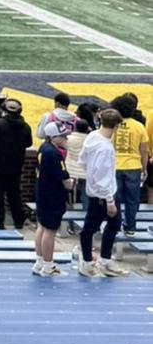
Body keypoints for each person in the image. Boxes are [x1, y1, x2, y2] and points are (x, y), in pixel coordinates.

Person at [76, 108, 128, 278]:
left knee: (94, 227)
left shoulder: (92, 137)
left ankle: (95, 261)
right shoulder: (106, 148)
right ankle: (92, 262)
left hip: (94, 191)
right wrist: (109, 200)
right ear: (116, 126)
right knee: (102, 227)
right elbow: (103, 176)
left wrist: (90, 177)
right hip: (104, 195)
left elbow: (82, 161)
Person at [0, 98, 32, 230]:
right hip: (16, 166)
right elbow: (29, 143)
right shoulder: (25, 126)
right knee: (14, 194)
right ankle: (18, 221)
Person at [32, 117, 74, 276]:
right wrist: (72, 183)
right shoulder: (54, 154)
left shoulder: (43, 148)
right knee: (50, 230)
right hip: (52, 196)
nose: (65, 138)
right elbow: (65, 181)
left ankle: (40, 262)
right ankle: (48, 266)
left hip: (42, 193)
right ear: (53, 136)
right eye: (62, 136)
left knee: (41, 227)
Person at [109, 95, 148, 237]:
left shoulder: (112, 125)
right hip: (133, 166)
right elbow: (144, 150)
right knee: (133, 199)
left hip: (115, 165)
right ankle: (130, 227)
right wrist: (144, 168)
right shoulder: (139, 126)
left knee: (115, 198)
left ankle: (115, 225)